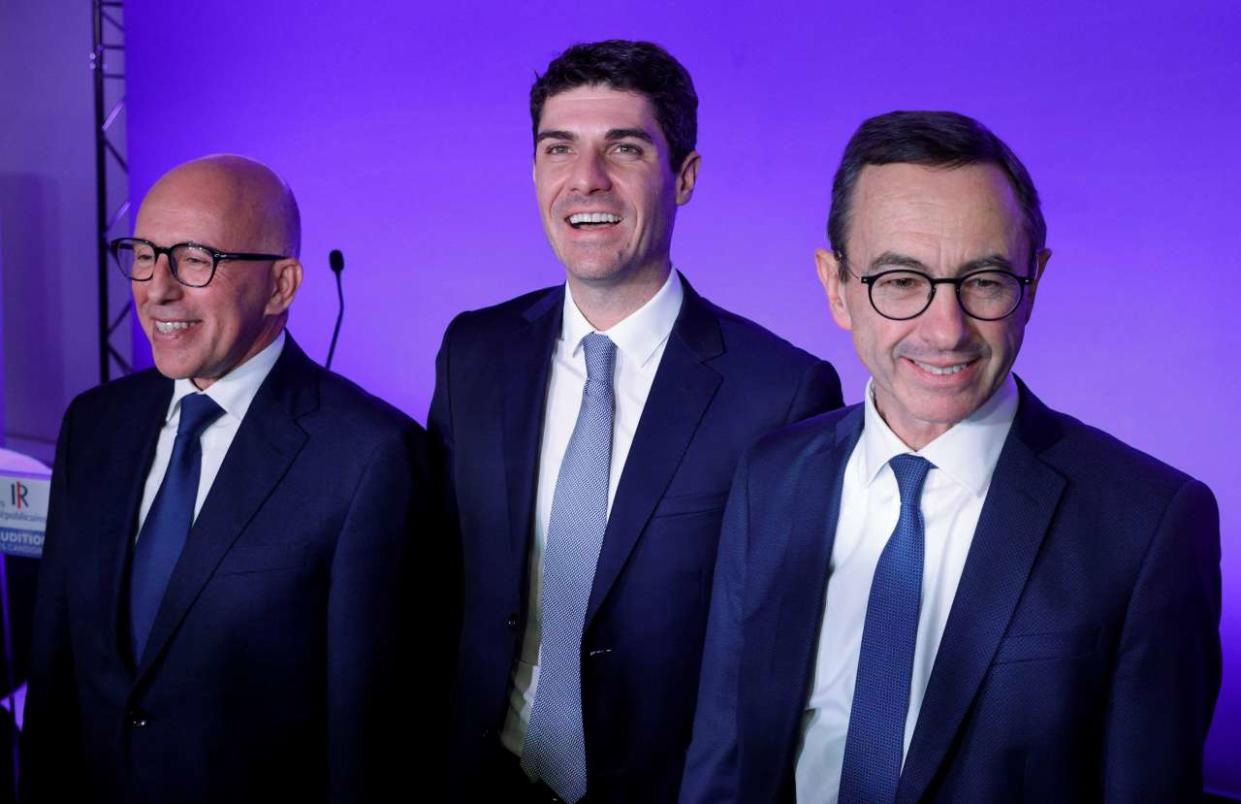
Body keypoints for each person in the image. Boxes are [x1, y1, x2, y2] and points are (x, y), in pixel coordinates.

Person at [680, 110, 1222, 803]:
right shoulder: (771, 475)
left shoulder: (1147, 525)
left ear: (1035, 282)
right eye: (900, 281)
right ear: (835, 286)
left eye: (985, 281)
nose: (945, 330)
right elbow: (722, 764)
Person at [430, 40, 842, 803]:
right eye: (559, 149)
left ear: (683, 177)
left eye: (623, 148)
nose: (585, 180)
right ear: (534, 172)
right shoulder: (473, 353)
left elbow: (778, 663)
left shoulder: (780, 393)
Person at [21, 155, 427, 803]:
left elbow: (368, 740)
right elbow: (57, 675)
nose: (157, 288)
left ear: (281, 285)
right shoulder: (94, 426)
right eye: (144, 254)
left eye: (194, 259)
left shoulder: (372, 458)